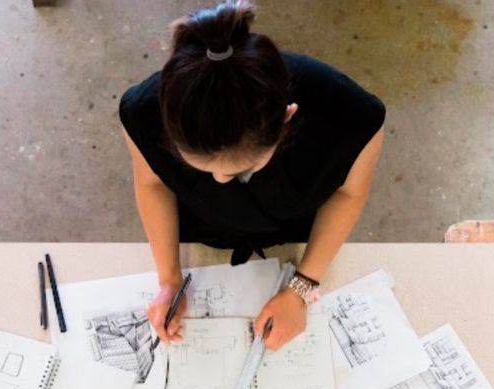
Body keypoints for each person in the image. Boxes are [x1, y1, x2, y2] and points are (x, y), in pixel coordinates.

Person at [120, 0, 385, 351]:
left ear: (287, 119)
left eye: (240, 169)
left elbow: (349, 194)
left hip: (294, 227)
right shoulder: (143, 111)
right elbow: (152, 183)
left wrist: (302, 286)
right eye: (200, 168)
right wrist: (169, 280)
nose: (219, 182)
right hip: (203, 228)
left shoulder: (349, 113)